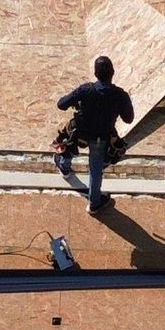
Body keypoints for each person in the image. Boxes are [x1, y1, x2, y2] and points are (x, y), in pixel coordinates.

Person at [54, 56, 134, 214]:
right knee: (96, 169)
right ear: (112, 73)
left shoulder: (85, 90)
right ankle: (94, 203)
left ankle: (64, 167)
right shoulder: (120, 95)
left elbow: (61, 104)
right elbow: (129, 119)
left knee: (68, 140)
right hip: (102, 136)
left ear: (96, 74)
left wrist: (76, 101)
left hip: (81, 131)